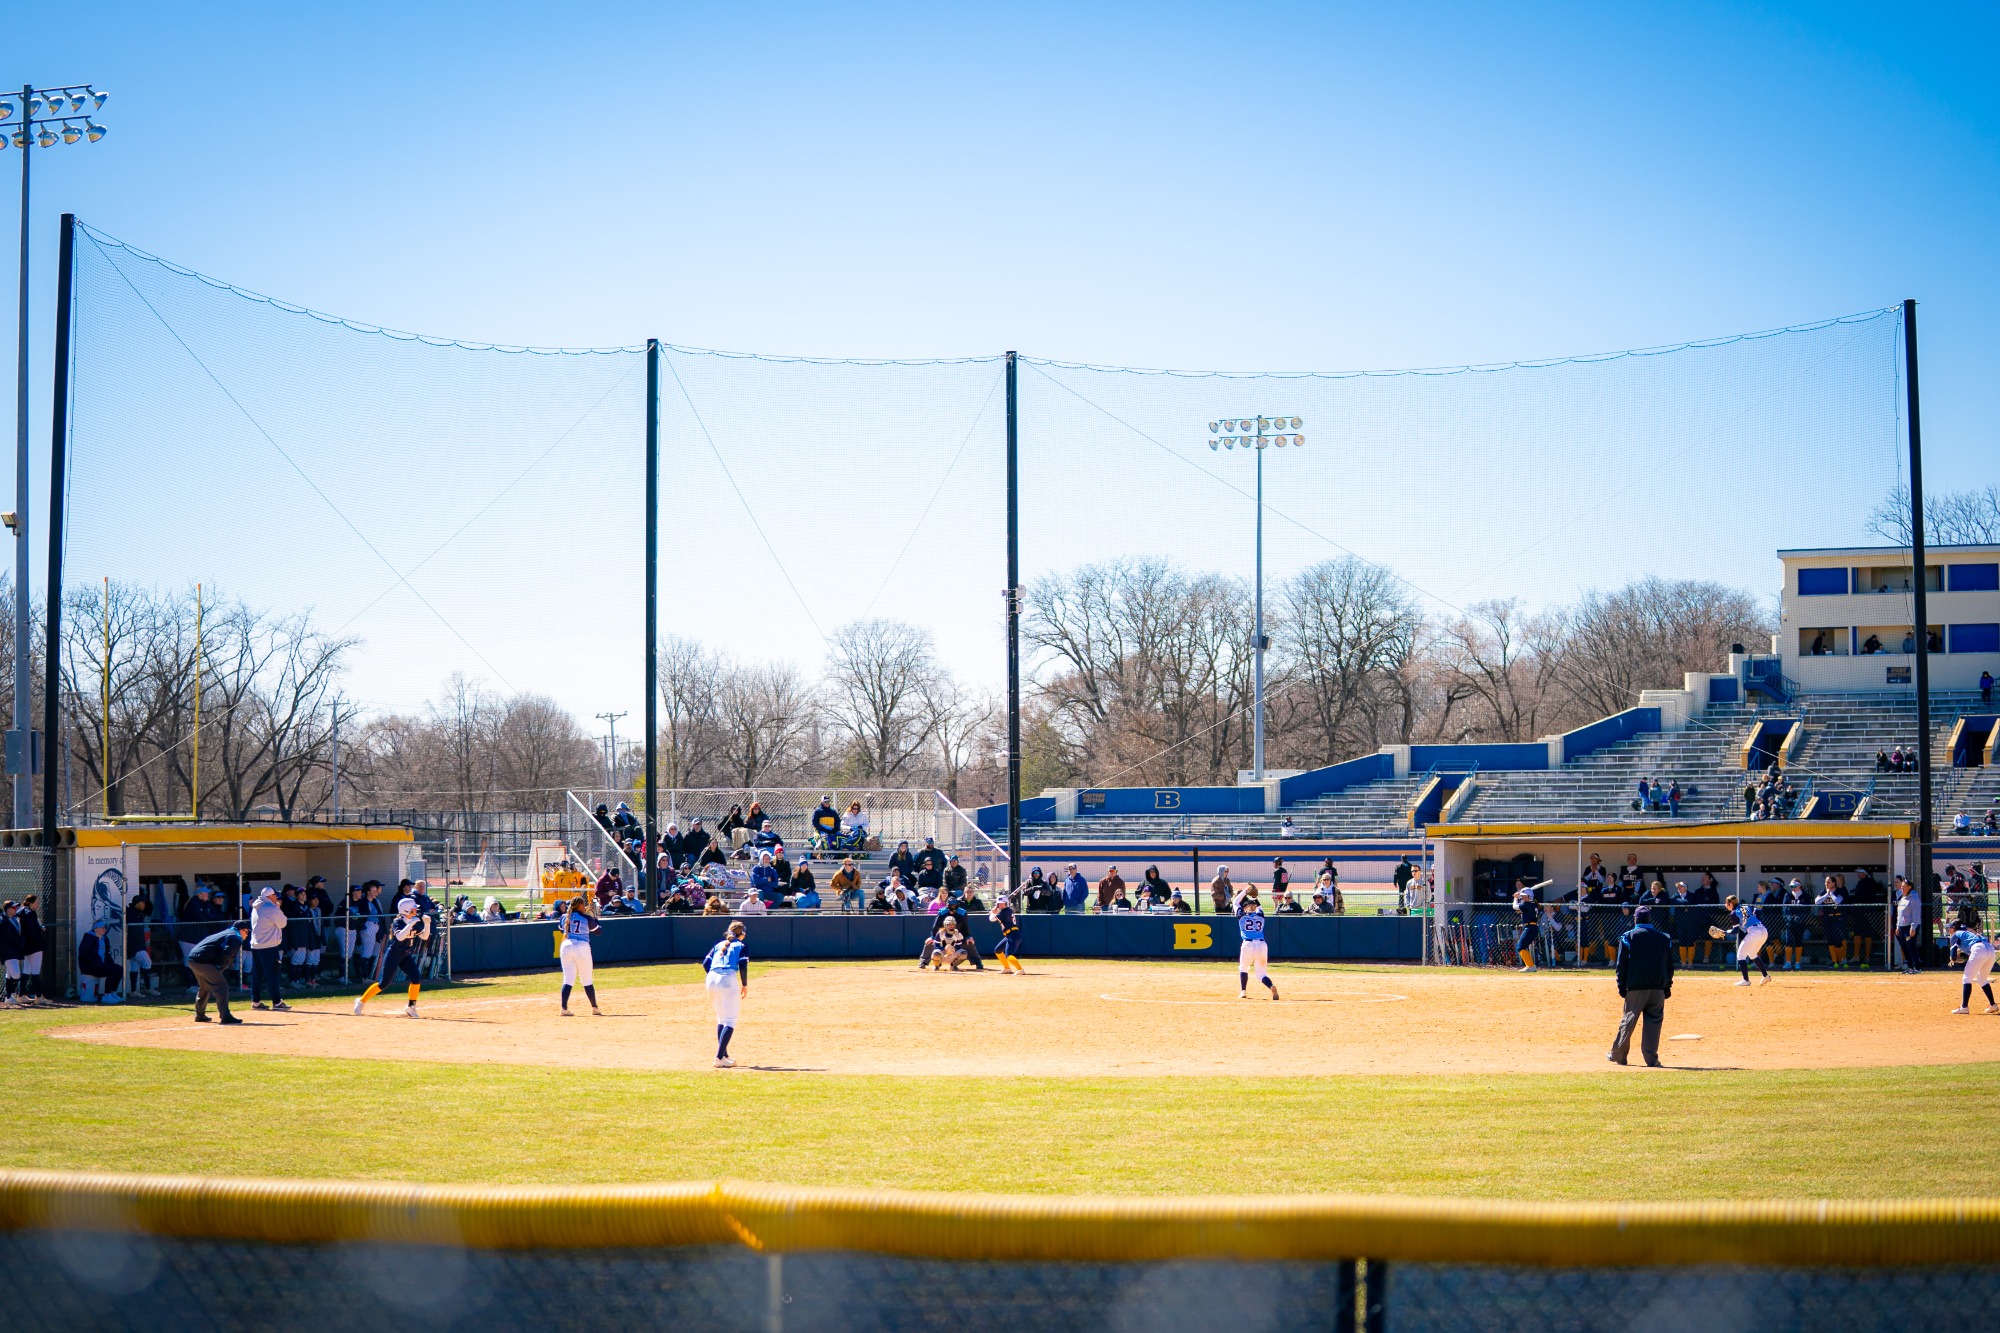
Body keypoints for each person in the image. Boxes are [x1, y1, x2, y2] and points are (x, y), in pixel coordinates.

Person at [1609, 905, 1674, 1067]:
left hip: (1636, 987)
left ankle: (1619, 1055)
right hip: (1658, 987)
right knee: (1654, 1023)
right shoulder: (1664, 938)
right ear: (1650, 919)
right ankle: (1651, 1059)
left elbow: (1621, 965)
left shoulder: (1628, 937)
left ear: (1635, 919)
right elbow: (1670, 966)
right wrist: (1667, 986)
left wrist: (1621, 986)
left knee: (1629, 1020)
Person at [354, 897, 431, 1019]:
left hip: (405, 954)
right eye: (413, 909)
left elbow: (425, 937)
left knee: (416, 977)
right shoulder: (398, 922)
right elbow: (399, 937)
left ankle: (411, 1006)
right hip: (393, 954)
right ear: (406, 910)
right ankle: (361, 1001)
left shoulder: (414, 921)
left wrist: (427, 924)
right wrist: (410, 924)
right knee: (384, 983)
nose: (416, 910)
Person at [703, 921, 749, 1068]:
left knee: (722, 1019)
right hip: (727, 978)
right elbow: (742, 965)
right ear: (742, 933)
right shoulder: (742, 946)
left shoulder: (718, 945)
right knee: (730, 1021)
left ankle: (724, 1055)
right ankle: (718, 1057)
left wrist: (714, 977)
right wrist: (744, 984)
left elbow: (705, 963)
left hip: (711, 978)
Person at [186, 920, 249, 1024]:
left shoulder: (226, 933)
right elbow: (227, 953)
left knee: (205, 986)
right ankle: (225, 1016)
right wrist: (219, 966)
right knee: (221, 986)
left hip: (192, 959)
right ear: (241, 930)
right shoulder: (236, 937)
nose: (247, 935)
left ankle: (200, 1015)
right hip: (203, 961)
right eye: (247, 932)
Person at [247, 887, 291, 1013]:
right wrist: (277, 907)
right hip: (269, 946)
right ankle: (277, 1002)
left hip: (256, 945)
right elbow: (283, 923)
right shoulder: (271, 908)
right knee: (272, 973)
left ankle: (255, 1001)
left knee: (257, 974)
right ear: (269, 896)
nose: (276, 898)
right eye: (274, 896)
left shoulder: (256, 906)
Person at [556, 896, 601, 1016]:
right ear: (580, 905)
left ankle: (564, 1008)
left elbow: (561, 929)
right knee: (586, 979)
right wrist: (595, 919)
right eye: (583, 905)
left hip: (566, 946)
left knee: (568, 979)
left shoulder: (565, 916)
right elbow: (598, 931)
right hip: (581, 946)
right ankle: (594, 1008)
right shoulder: (586, 917)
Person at [1233, 886, 1278, 1000]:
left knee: (1243, 968)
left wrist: (1245, 891)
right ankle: (1271, 986)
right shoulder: (1260, 915)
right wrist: (1254, 897)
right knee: (1261, 974)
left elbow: (1236, 902)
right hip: (1262, 945)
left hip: (1248, 945)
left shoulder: (1242, 916)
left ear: (1246, 908)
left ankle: (1243, 991)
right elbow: (1260, 906)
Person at [1715, 894, 1771, 985]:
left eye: (1726, 903)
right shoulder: (1746, 906)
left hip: (1754, 932)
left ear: (1730, 904)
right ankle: (1765, 976)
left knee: (1741, 955)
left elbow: (1735, 931)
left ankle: (1746, 980)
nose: (1725, 905)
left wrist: (1724, 932)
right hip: (1763, 930)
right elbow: (1759, 911)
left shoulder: (1734, 913)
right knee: (1752, 954)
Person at [1944, 923, 1998, 1015]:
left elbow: (1953, 957)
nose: (1949, 930)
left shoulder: (1955, 935)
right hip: (1990, 950)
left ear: (1953, 929)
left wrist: (1954, 958)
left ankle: (1964, 1007)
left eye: (1949, 928)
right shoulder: (1968, 932)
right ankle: (1993, 1005)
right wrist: (1962, 956)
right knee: (1982, 979)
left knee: (1966, 978)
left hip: (1978, 949)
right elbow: (1971, 951)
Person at [76, 921, 125, 1005]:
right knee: (111, 969)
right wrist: (97, 962)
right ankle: (106, 996)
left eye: (104, 927)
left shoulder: (105, 938)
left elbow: (107, 954)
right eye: (101, 927)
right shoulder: (89, 938)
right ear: (95, 928)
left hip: (100, 965)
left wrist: (110, 963)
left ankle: (112, 993)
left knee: (119, 969)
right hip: (89, 967)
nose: (104, 929)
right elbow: (84, 954)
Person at [14, 893, 45, 1001]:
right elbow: (33, 931)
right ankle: (39, 996)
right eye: (36, 902)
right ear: (30, 903)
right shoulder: (30, 914)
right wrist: (40, 935)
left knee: (26, 969)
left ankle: (21, 995)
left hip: (26, 946)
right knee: (36, 970)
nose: (38, 905)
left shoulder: (21, 912)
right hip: (35, 945)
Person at [990, 889, 1024, 973]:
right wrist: (995, 912)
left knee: (1008, 955)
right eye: (999, 904)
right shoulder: (1005, 911)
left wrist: (992, 912)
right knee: (997, 950)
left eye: (1002, 904)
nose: (1001, 905)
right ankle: (1007, 968)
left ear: (1006, 903)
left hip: (1013, 935)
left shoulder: (1005, 912)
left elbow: (991, 919)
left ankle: (1020, 969)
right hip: (1009, 935)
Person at [1895, 876, 1924, 975]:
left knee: (1911, 947)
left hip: (1910, 927)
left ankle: (1917, 968)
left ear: (1910, 887)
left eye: (1904, 886)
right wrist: (1898, 926)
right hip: (1902, 926)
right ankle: (1910, 967)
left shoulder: (1914, 898)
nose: (1902, 888)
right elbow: (1899, 913)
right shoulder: (1902, 898)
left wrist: (1913, 927)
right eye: (1901, 886)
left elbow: (1915, 914)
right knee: (1904, 947)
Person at [1512, 880, 1540, 972]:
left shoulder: (1526, 904)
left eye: (1524, 896)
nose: (1523, 897)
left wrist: (1515, 898)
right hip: (1532, 928)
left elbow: (1515, 907)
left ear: (1529, 896)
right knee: (1523, 946)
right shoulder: (1533, 903)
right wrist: (1520, 895)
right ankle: (1531, 966)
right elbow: (1521, 907)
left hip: (1530, 928)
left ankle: (1530, 966)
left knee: (1520, 947)